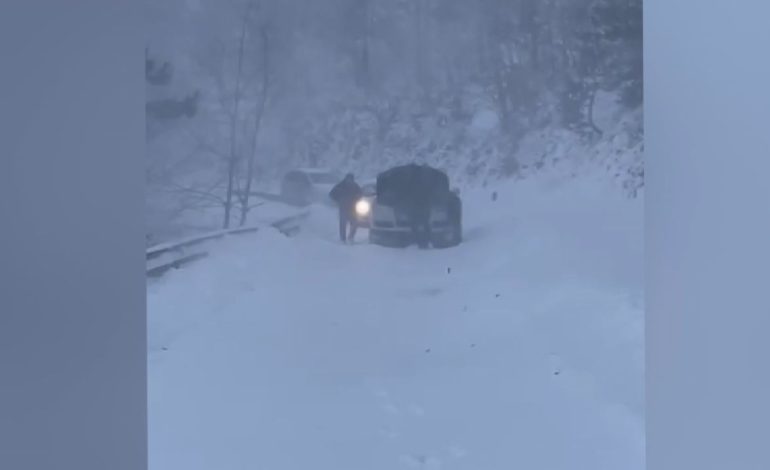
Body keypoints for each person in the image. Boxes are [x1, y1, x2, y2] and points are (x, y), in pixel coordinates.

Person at [329, 173, 363, 243]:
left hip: (352, 208)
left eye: (351, 179)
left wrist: (357, 198)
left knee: (355, 223)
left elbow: (360, 194)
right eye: (349, 179)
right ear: (346, 179)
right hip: (343, 207)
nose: (350, 181)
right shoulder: (340, 186)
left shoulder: (355, 186)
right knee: (343, 224)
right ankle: (343, 239)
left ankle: (351, 237)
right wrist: (338, 200)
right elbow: (331, 194)